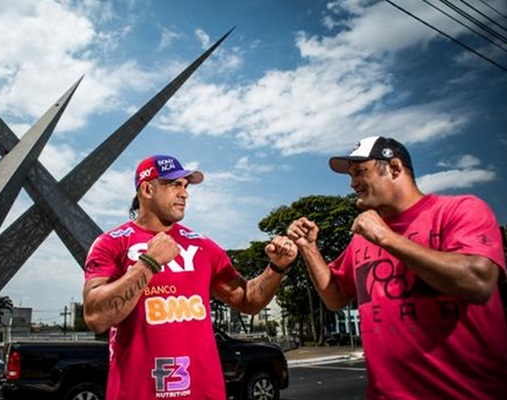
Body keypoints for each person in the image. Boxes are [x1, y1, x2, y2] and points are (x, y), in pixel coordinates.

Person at [287, 136, 507, 399]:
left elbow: (478, 282)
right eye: (350, 175)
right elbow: (335, 296)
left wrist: (387, 238)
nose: (352, 183)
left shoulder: (460, 210)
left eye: (360, 172)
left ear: (394, 168)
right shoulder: (362, 238)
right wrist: (308, 247)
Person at [83, 154, 297, 400]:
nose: (184, 193)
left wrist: (277, 268)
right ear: (147, 189)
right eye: (174, 184)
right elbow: (96, 317)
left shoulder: (204, 246)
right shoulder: (111, 243)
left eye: (185, 186)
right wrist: (149, 263)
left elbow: (247, 300)